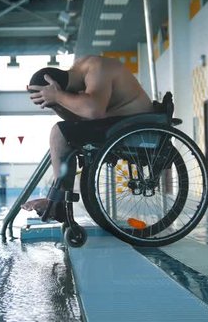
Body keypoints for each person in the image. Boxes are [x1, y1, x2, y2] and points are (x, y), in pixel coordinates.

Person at [22, 55, 154, 221]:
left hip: (137, 124)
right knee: (64, 134)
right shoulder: (80, 75)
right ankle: (57, 200)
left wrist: (57, 97)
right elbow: (79, 120)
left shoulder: (96, 67)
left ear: (55, 85)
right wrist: (57, 103)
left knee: (59, 132)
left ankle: (58, 201)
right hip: (120, 124)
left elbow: (94, 111)